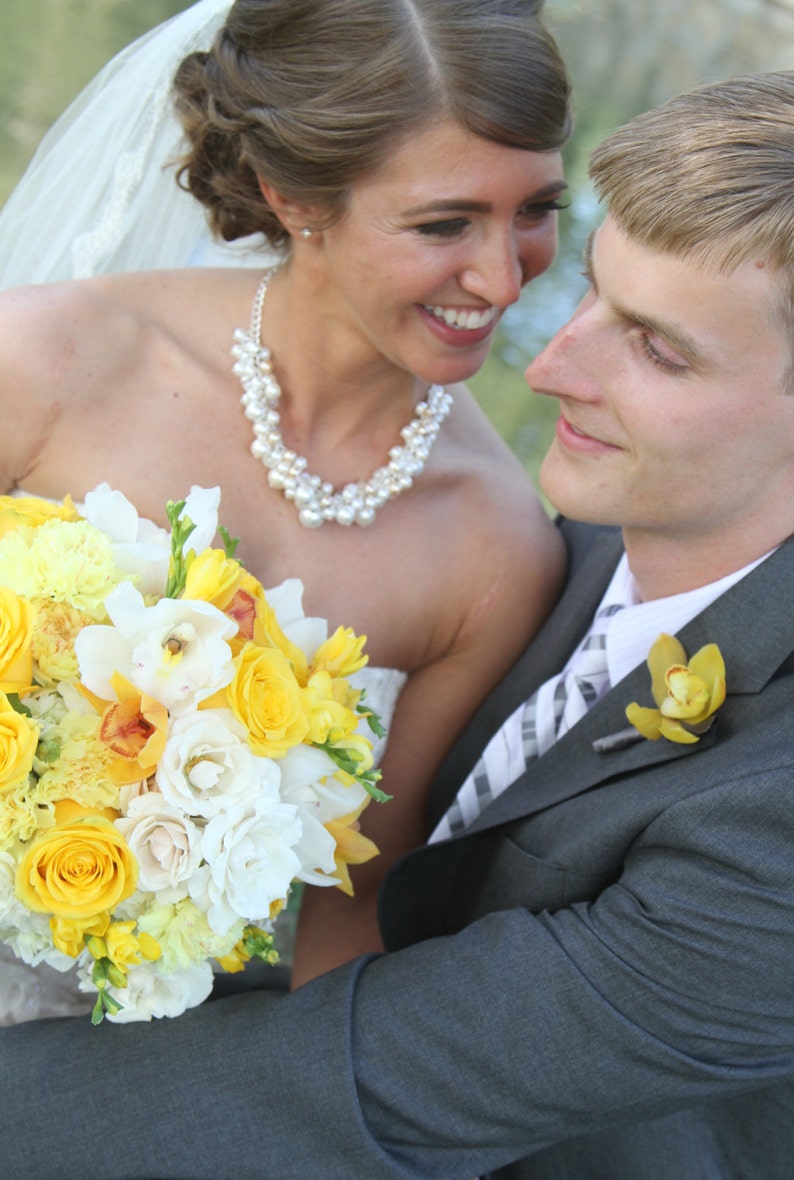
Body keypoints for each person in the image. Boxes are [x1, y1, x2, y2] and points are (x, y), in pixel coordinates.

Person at [4, 64, 794, 1180]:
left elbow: (361, 1078)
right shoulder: (563, 560)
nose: (552, 364)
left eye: (658, 351)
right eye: (588, 290)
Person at [0, 0, 570, 1005]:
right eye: (444, 223)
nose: (500, 276)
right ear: (292, 196)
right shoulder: (43, 364)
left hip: (134, 1065)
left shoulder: (495, 545)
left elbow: (350, 907)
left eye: (532, 210)